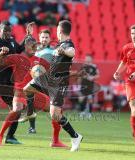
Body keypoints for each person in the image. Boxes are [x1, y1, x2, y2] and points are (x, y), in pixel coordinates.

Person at [23, 20, 83, 152]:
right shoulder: (59, 45)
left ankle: (75, 136)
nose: (56, 32)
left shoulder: (68, 44)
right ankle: (31, 113)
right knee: (27, 89)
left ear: (60, 31)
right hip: (48, 79)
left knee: (55, 115)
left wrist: (65, 51)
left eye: (57, 30)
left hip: (59, 83)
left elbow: (72, 52)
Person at [18, 29, 54, 134]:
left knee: (48, 108)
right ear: (39, 38)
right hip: (31, 80)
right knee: (30, 101)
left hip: (46, 81)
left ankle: (57, 130)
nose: (44, 39)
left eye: (46, 37)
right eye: (42, 37)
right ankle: (32, 127)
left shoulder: (53, 52)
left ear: (50, 39)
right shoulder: (35, 51)